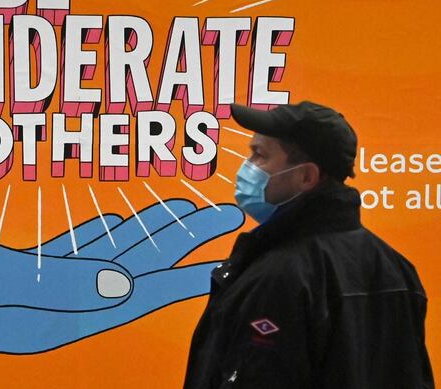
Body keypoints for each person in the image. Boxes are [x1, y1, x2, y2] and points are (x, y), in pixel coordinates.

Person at [183, 101, 433, 388]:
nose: (246, 168)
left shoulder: (279, 276)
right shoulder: (397, 268)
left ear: (307, 177)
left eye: (259, 156)